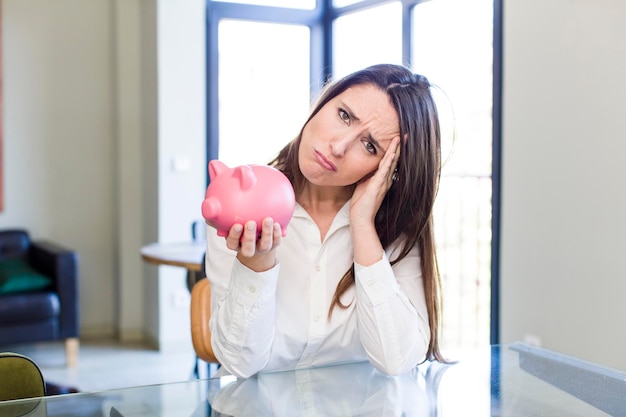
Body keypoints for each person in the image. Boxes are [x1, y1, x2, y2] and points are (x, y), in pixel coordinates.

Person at [205, 63, 445, 378]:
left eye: (370, 145)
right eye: (344, 115)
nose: (338, 146)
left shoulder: (398, 231)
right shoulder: (243, 202)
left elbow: (396, 361)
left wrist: (362, 225)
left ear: (391, 167)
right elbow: (239, 363)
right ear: (323, 102)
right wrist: (257, 263)